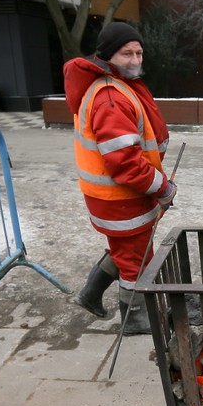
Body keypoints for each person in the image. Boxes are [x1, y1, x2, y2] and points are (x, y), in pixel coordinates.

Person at [62, 22, 175, 334]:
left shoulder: (116, 85)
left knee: (125, 249)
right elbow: (125, 164)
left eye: (139, 52)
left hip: (118, 198)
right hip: (121, 198)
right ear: (108, 55)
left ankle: (91, 293)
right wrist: (163, 188)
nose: (136, 59)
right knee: (137, 259)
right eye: (127, 53)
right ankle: (136, 317)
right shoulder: (110, 97)